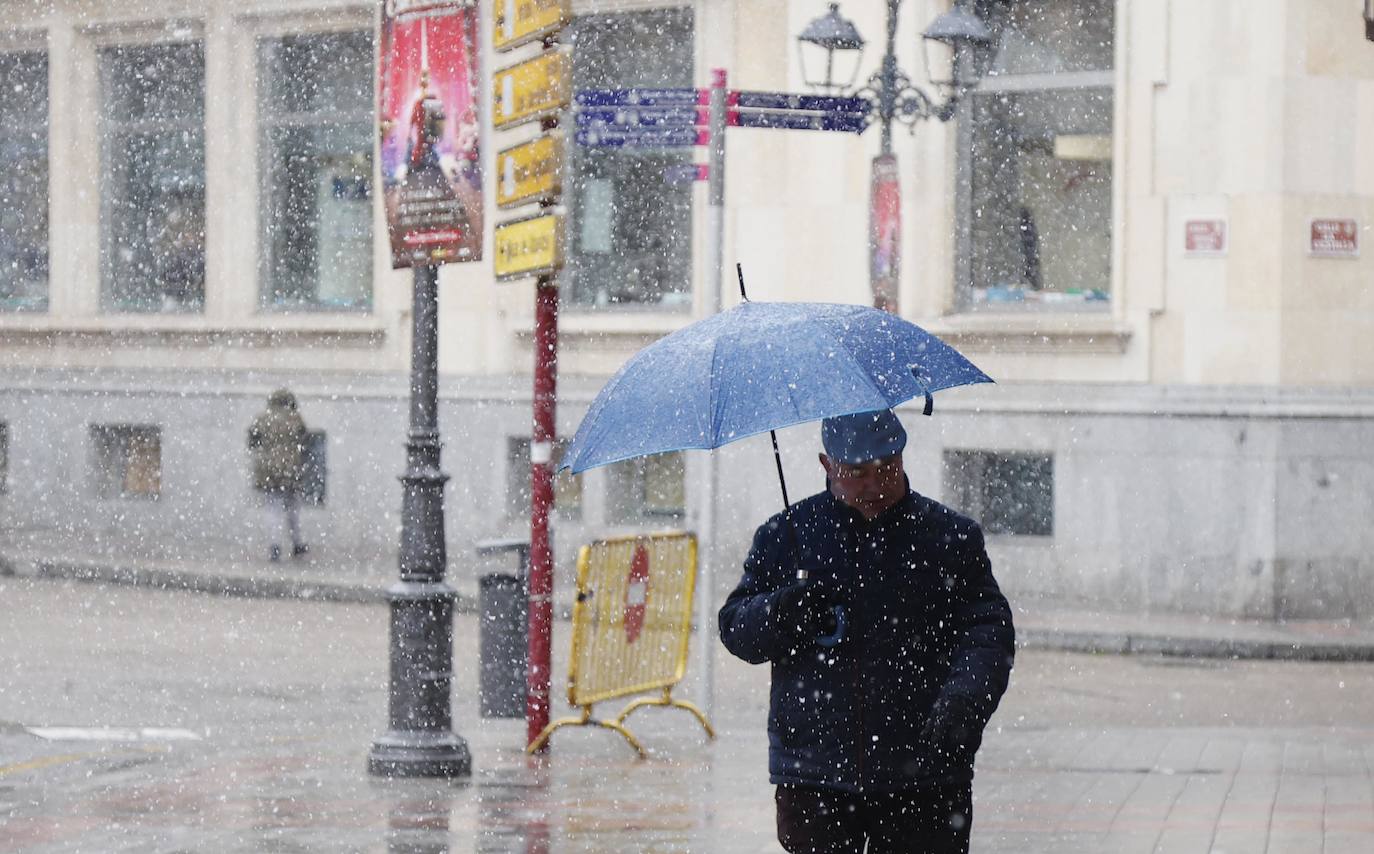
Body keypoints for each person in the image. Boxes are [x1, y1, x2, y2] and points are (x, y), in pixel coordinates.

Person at [718, 409, 1015, 854]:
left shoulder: (949, 537)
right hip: (815, 775)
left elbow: (988, 632)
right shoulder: (786, 536)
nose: (874, 485)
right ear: (826, 465)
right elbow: (736, 628)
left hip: (925, 774)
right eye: (856, 473)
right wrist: (784, 611)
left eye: (886, 468)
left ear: (902, 456)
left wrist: (964, 701)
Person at [248, 388, 310, 562]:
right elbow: (305, 440)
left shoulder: (262, 419)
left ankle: (274, 547)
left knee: (272, 508)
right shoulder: (294, 418)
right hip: (291, 467)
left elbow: (253, 442)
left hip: (268, 468)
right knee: (293, 509)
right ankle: (297, 543)